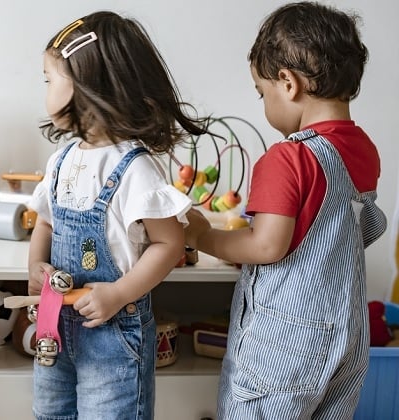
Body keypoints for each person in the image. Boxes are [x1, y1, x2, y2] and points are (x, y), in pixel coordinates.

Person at [184, 2, 388, 418]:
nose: (264, 104)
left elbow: (266, 247)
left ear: (287, 82)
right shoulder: (363, 150)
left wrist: (202, 236)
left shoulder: (287, 158)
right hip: (347, 339)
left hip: (288, 343)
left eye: (262, 93)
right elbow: (346, 231)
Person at [26, 11, 213, 420]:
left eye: (49, 79)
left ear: (87, 85)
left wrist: (118, 294)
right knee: (50, 413)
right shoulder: (61, 160)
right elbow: (45, 221)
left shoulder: (134, 168)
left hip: (113, 334)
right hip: (55, 327)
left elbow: (170, 242)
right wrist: (35, 265)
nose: (44, 90)